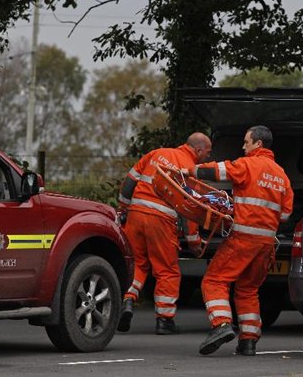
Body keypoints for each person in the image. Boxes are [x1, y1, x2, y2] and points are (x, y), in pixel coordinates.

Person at [186, 125, 293, 356]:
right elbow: (285, 215)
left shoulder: (247, 165)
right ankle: (249, 341)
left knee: (214, 280)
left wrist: (190, 171)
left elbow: (218, 172)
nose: (243, 146)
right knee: (247, 289)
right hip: (266, 245)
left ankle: (221, 324)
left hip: (243, 238)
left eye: (246, 142)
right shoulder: (282, 176)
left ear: (258, 144)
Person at [117, 132, 213, 335]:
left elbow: (129, 182)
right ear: (197, 150)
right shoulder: (190, 169)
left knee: (137, 263)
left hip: (135, 215)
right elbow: (189, 208)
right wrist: (194, 241)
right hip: (161, 220)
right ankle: (164, 320)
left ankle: (127, 300)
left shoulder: (156, 153)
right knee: (167, 270)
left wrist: (123, 209)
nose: (208, 157)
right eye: (207, 152)